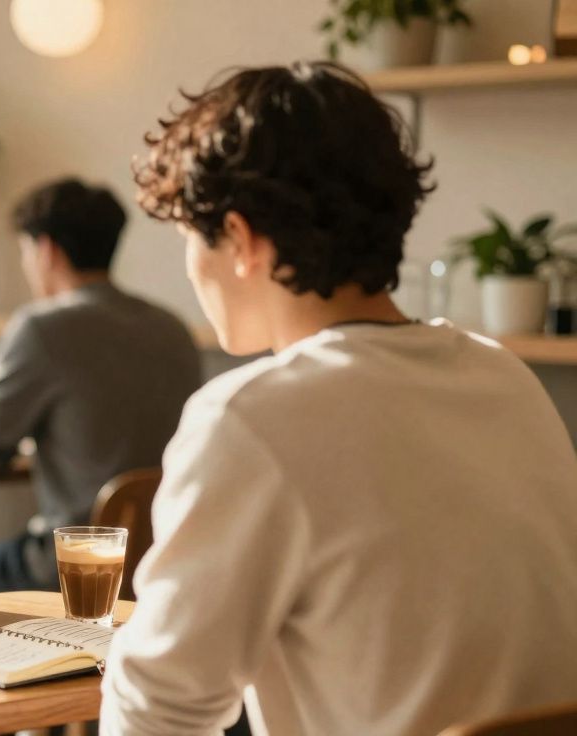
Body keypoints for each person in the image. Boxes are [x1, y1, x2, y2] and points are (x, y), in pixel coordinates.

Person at [101, 61, 577, 736]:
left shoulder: (249, 420)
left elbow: (156, 713)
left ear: (240, 239)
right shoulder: (506, 379)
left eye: (190, 239)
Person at [0, 178, 202, 596]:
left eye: (25, 251)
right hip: (161, 563)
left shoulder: (43, 329)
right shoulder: (173, 330)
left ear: (46, 250)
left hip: (67, 569)